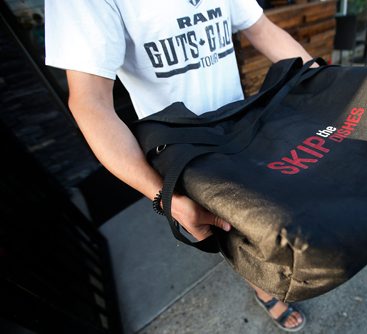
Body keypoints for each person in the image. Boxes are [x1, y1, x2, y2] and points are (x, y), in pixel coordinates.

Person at [45, 0, 314, 331]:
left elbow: (262, 29)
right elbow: (90, 102)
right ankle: (264, 289)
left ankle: (281, 267)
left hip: (240, 124)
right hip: (183, 152)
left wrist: (326, 81)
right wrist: (164, 196)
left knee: (270, 211)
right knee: (231, 230)